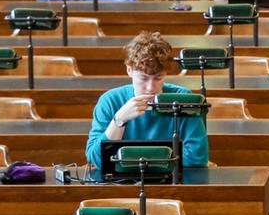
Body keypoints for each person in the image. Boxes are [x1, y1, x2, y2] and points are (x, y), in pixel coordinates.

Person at [85, 30, 209, 169]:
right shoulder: (110, 100)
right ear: (129, 70)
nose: (151, 87)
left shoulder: (183, 99)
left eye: (158, 78)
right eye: (143, 78)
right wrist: (119, 120)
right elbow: (97, 159)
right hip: (121, 184)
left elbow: (197, 158)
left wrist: (127, 162)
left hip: (172, 184)